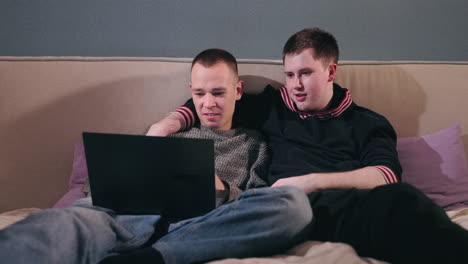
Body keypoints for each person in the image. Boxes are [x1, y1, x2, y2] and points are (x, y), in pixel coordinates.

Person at [148, 28, 468, 264]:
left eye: (305, 73)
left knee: (403, 202)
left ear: (330, 71)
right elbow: (211, 101)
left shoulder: (367, 122)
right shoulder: (274, 106)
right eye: (289, 74)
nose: (295, 85)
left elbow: (384, 175)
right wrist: (165, 126)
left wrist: (310, 182)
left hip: (344, 208)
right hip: (277, 209)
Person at [0, 49, 312, 264]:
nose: (208, 103)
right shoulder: (165, 131)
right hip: (122, 217)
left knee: (293, 205)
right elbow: (102, 184)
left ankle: (155, 257)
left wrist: (222, 189)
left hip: (197, 227)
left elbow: (254, 202)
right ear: (191, 91)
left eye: (218, 93)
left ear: (238, 91)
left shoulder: (255, 144)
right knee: (55, 224)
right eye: (200, 94)